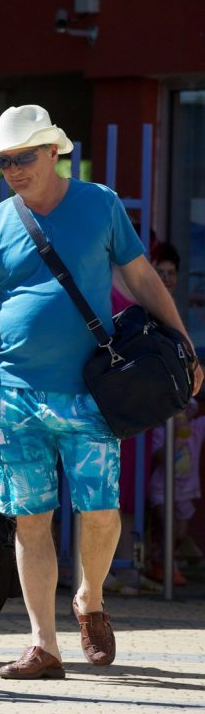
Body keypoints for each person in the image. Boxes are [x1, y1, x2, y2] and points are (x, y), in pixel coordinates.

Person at [0, 105, 204, 680]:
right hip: (15, 398)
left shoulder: (100, 204)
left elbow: (140, 278)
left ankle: (89, 597)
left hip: (93, 393)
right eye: (4, 160)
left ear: (53, 152)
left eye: (23, 157)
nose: (13, 169)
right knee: (30, 519)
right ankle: (44, 645)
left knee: (101, 512)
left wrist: (184, 344)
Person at [146, 243, 204, 584]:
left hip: (179, 414)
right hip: (153, 410)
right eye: (161, 272)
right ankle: (158, 561)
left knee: (178, 514)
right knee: (158, 505)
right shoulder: (146, 306)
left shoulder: (179, 314)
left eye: (171, 274)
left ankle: (164, 558)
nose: (166, 279)